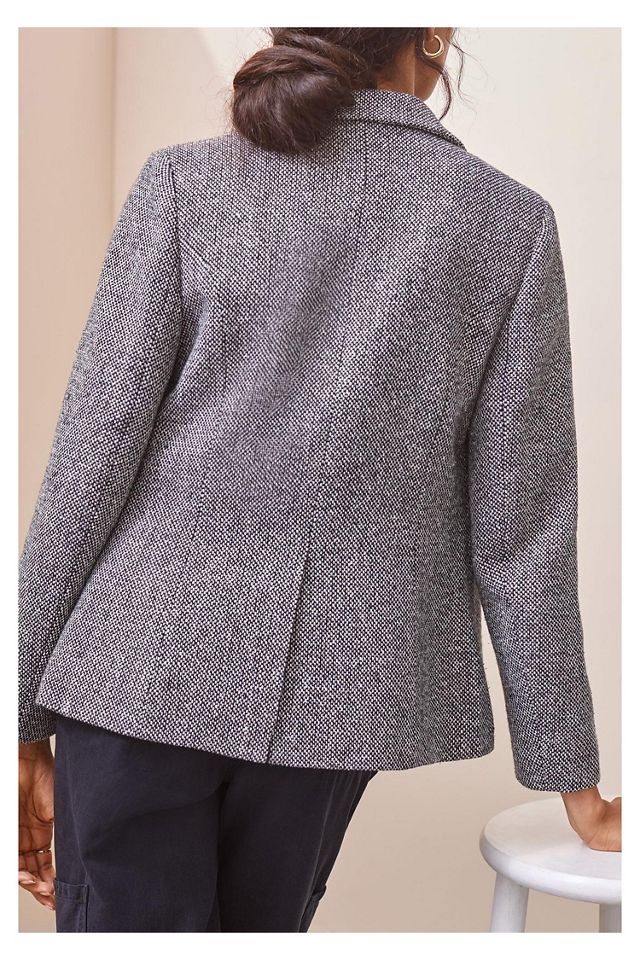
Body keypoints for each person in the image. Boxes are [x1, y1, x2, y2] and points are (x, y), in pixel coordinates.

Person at [18, 27, 622, 933]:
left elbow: (89, 462)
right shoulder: (507, 224)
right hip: (339, 699)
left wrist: (22, 710)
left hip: (132, 670)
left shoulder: (186, 183)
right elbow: (523, 534)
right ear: (431, 37)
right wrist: (577, 786)